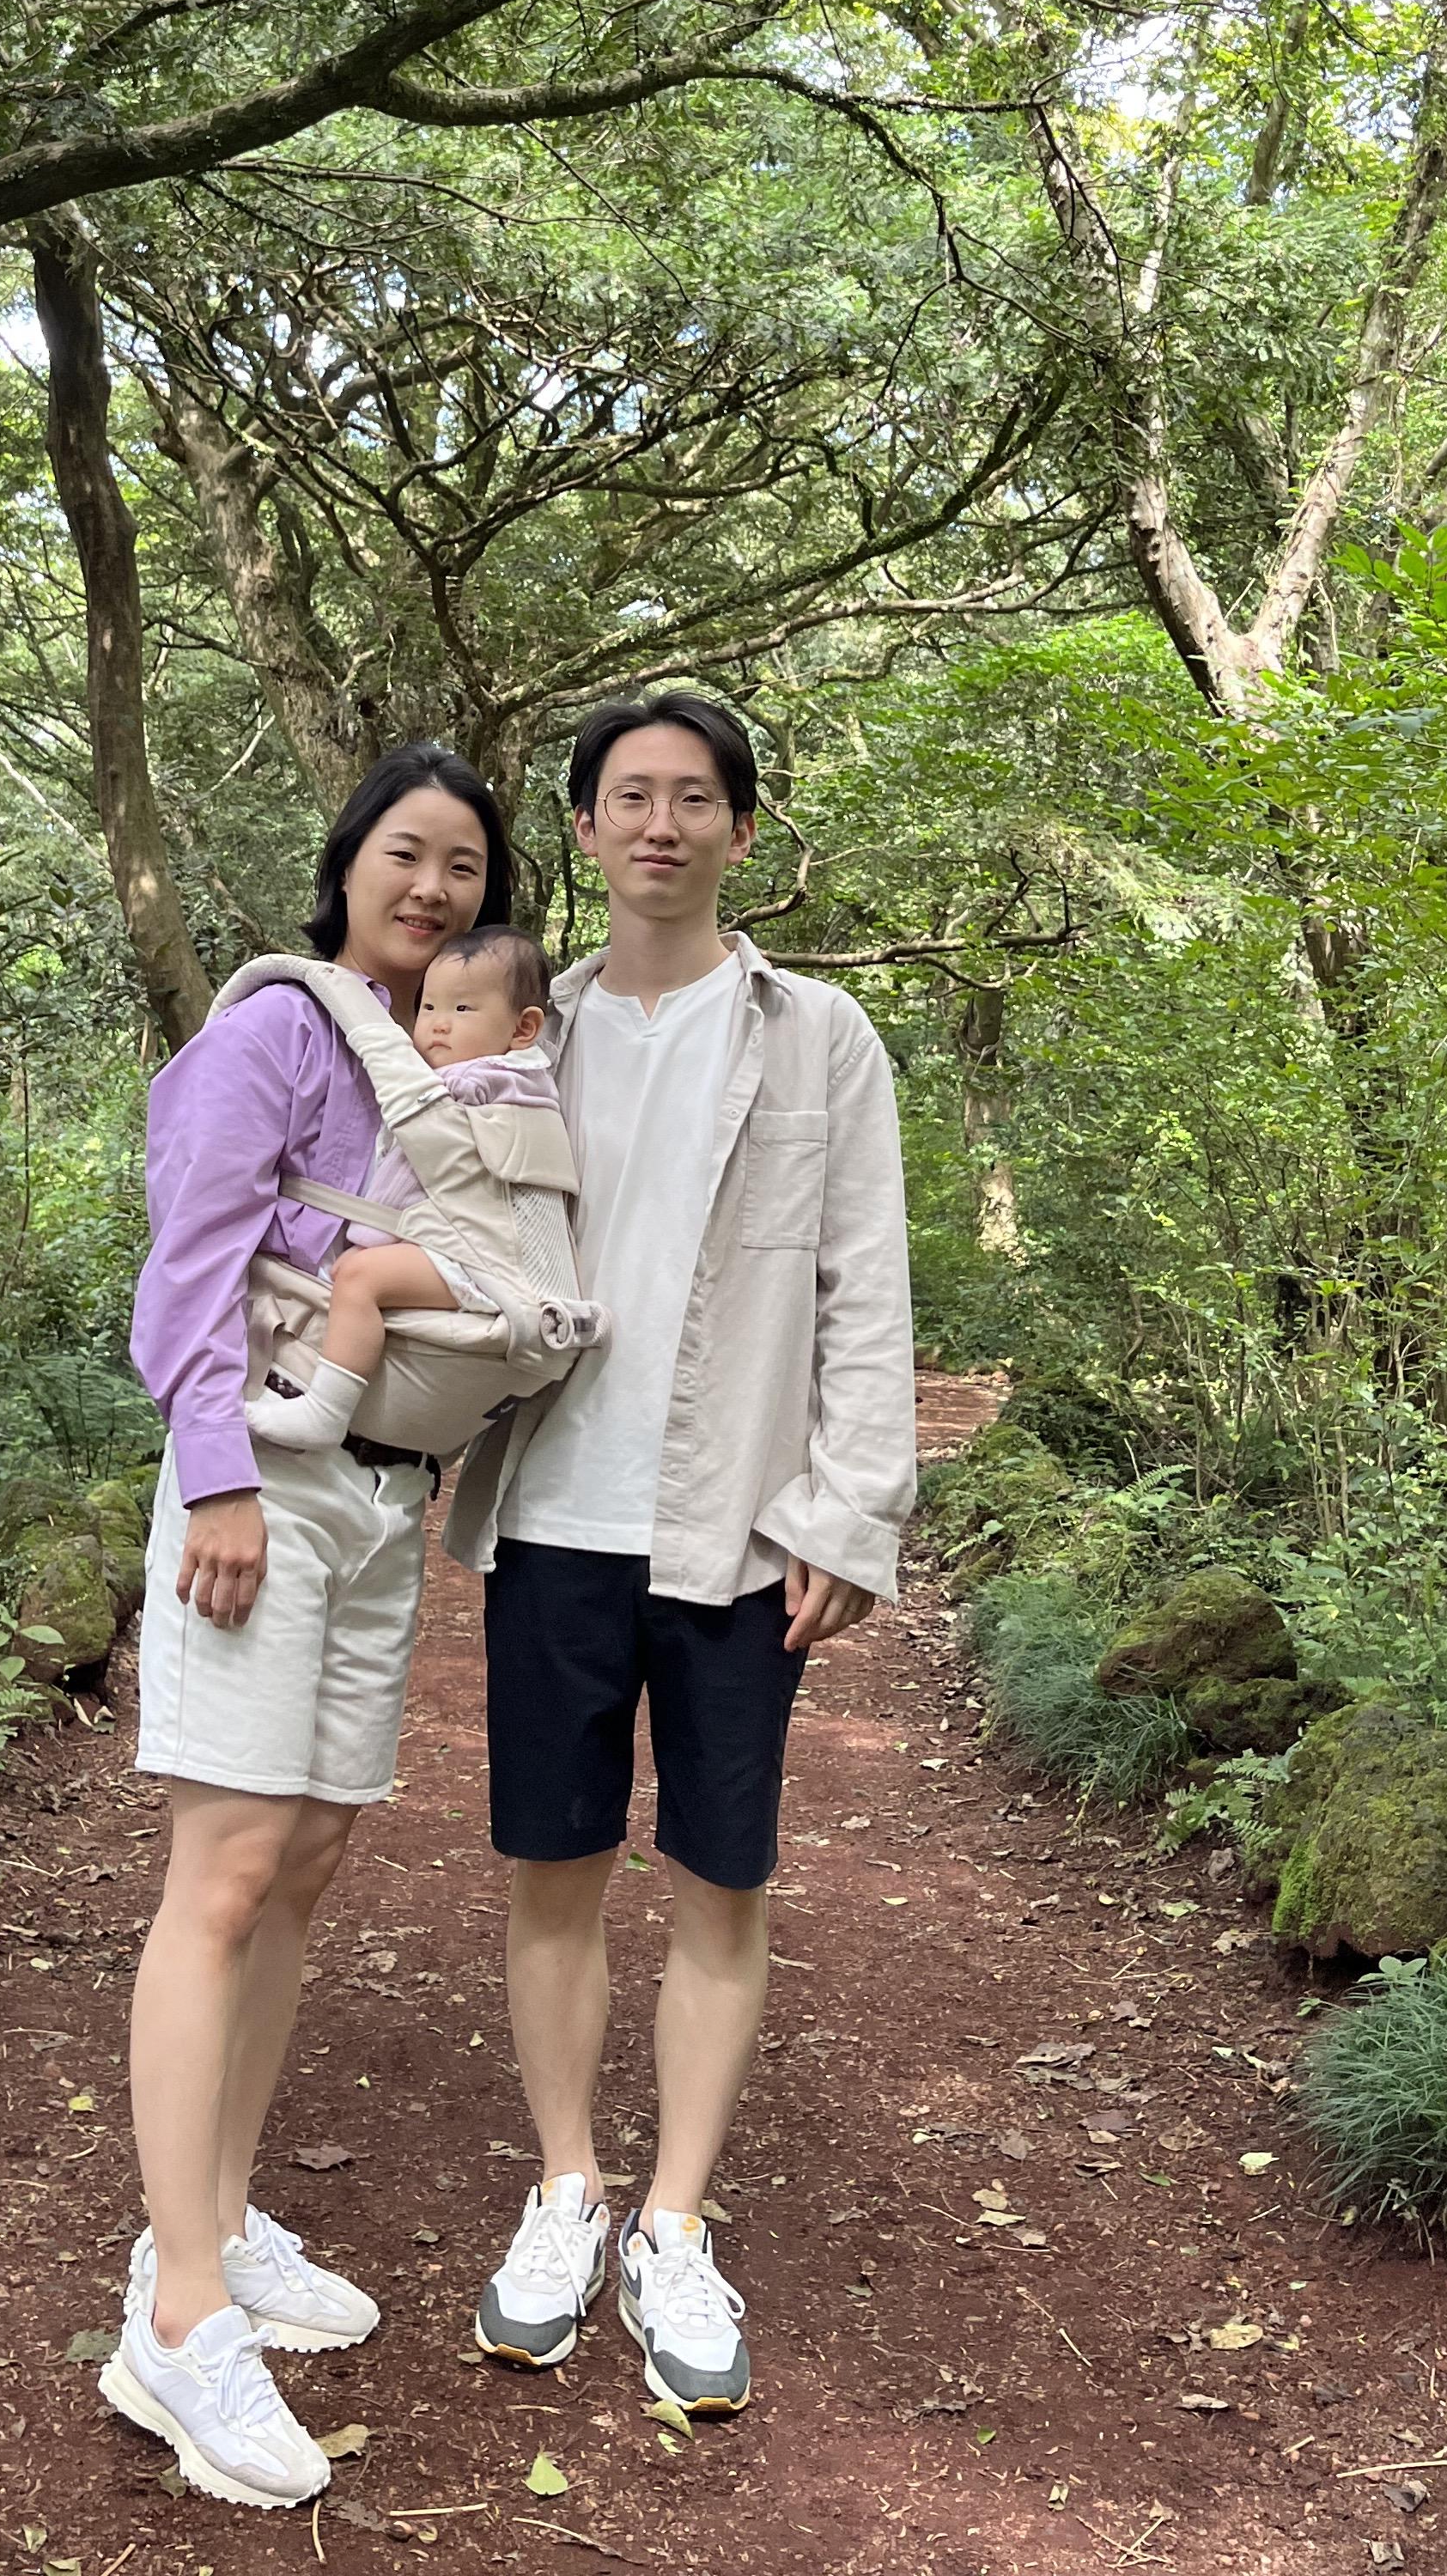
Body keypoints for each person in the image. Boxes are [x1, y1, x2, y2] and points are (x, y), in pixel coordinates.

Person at [447, 688, 915, 2420]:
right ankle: (566, 2185)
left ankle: (672, 2218)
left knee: (721, 1878)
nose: (661, 823)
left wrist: (847, 1508)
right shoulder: (526, 1033)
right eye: (629, 796)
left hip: (735, 1531)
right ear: (581, 828)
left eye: (694, 797)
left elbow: (864, 1278)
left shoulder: (817, 1038)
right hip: (552, 1514)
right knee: (550, 1867)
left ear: (739, 826)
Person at [102, 744, 514, 2511]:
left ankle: (210, 2211)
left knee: (311, 1858)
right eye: (405, 853)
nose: (430, 887)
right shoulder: (275, 1031)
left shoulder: (458, 1071)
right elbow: (189, 1262)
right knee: (223, 1871)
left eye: (462, 867)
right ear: (347, 863)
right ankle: (178, 2314)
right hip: (259, 1483)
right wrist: (213, 1481)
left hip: (379, 1498)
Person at [248, 922, 593, 1450]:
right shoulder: (531, 1082)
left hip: (481, 1267)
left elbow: (407, 1176)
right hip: (512, 1270)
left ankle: (324, 1413)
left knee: (358, 1275)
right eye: (428, 1007)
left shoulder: (466, 1086)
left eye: (463, 1008)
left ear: (524, 1028)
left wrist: (367, 1239)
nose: (437, 1024)